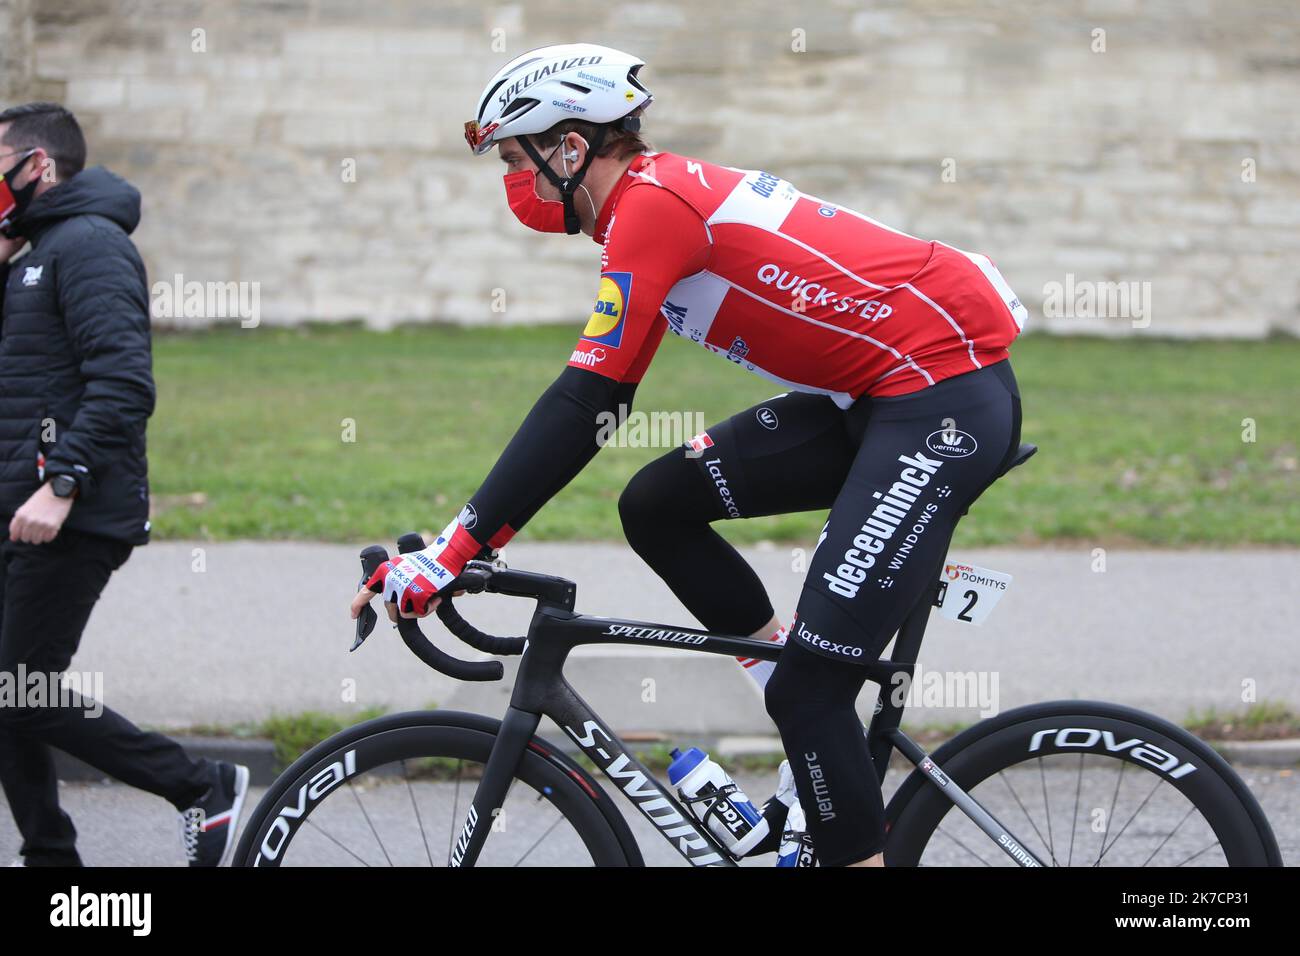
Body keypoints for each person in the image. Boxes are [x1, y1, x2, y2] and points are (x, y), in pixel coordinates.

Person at [351, 44, 1026, 868]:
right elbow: (604, 399)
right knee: (657, 506)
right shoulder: (644, 208)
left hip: (939, 399)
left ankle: (816, 743)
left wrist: (458, 550)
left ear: (570, 150)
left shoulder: (652, 207)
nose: (513, 182)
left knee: (813, 694)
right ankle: (785, 706)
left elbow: (584, 402)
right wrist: (467, 542)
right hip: (876, 398)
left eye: (515, 158)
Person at [0, 102, 247, 866]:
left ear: (36, 166)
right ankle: (51, 862)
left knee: (16, 691)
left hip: (71, 512)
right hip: (22, 508)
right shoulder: (34, 250)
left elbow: (124, 384)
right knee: (9, 699)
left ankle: (202, 785)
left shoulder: (90, 246)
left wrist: (62, 484)